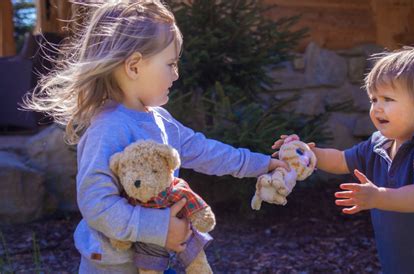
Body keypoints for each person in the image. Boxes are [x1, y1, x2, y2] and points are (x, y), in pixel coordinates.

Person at [23, 1, 288, 273]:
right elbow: (96, 205)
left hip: (156, 260)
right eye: (170, 64)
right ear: (134, 66)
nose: (176, 74)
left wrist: (263, 164)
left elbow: (204, 150)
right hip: (115, 266)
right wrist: (160, 229)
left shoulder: (159, 118)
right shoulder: (108, 128)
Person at [273, 47, 414, 273]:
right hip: (402, 264)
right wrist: (308, 154)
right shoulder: (378, 145)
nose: (377, 107)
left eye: (387, 99)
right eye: (373, 99)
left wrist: (379, 196)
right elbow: (340, 160)